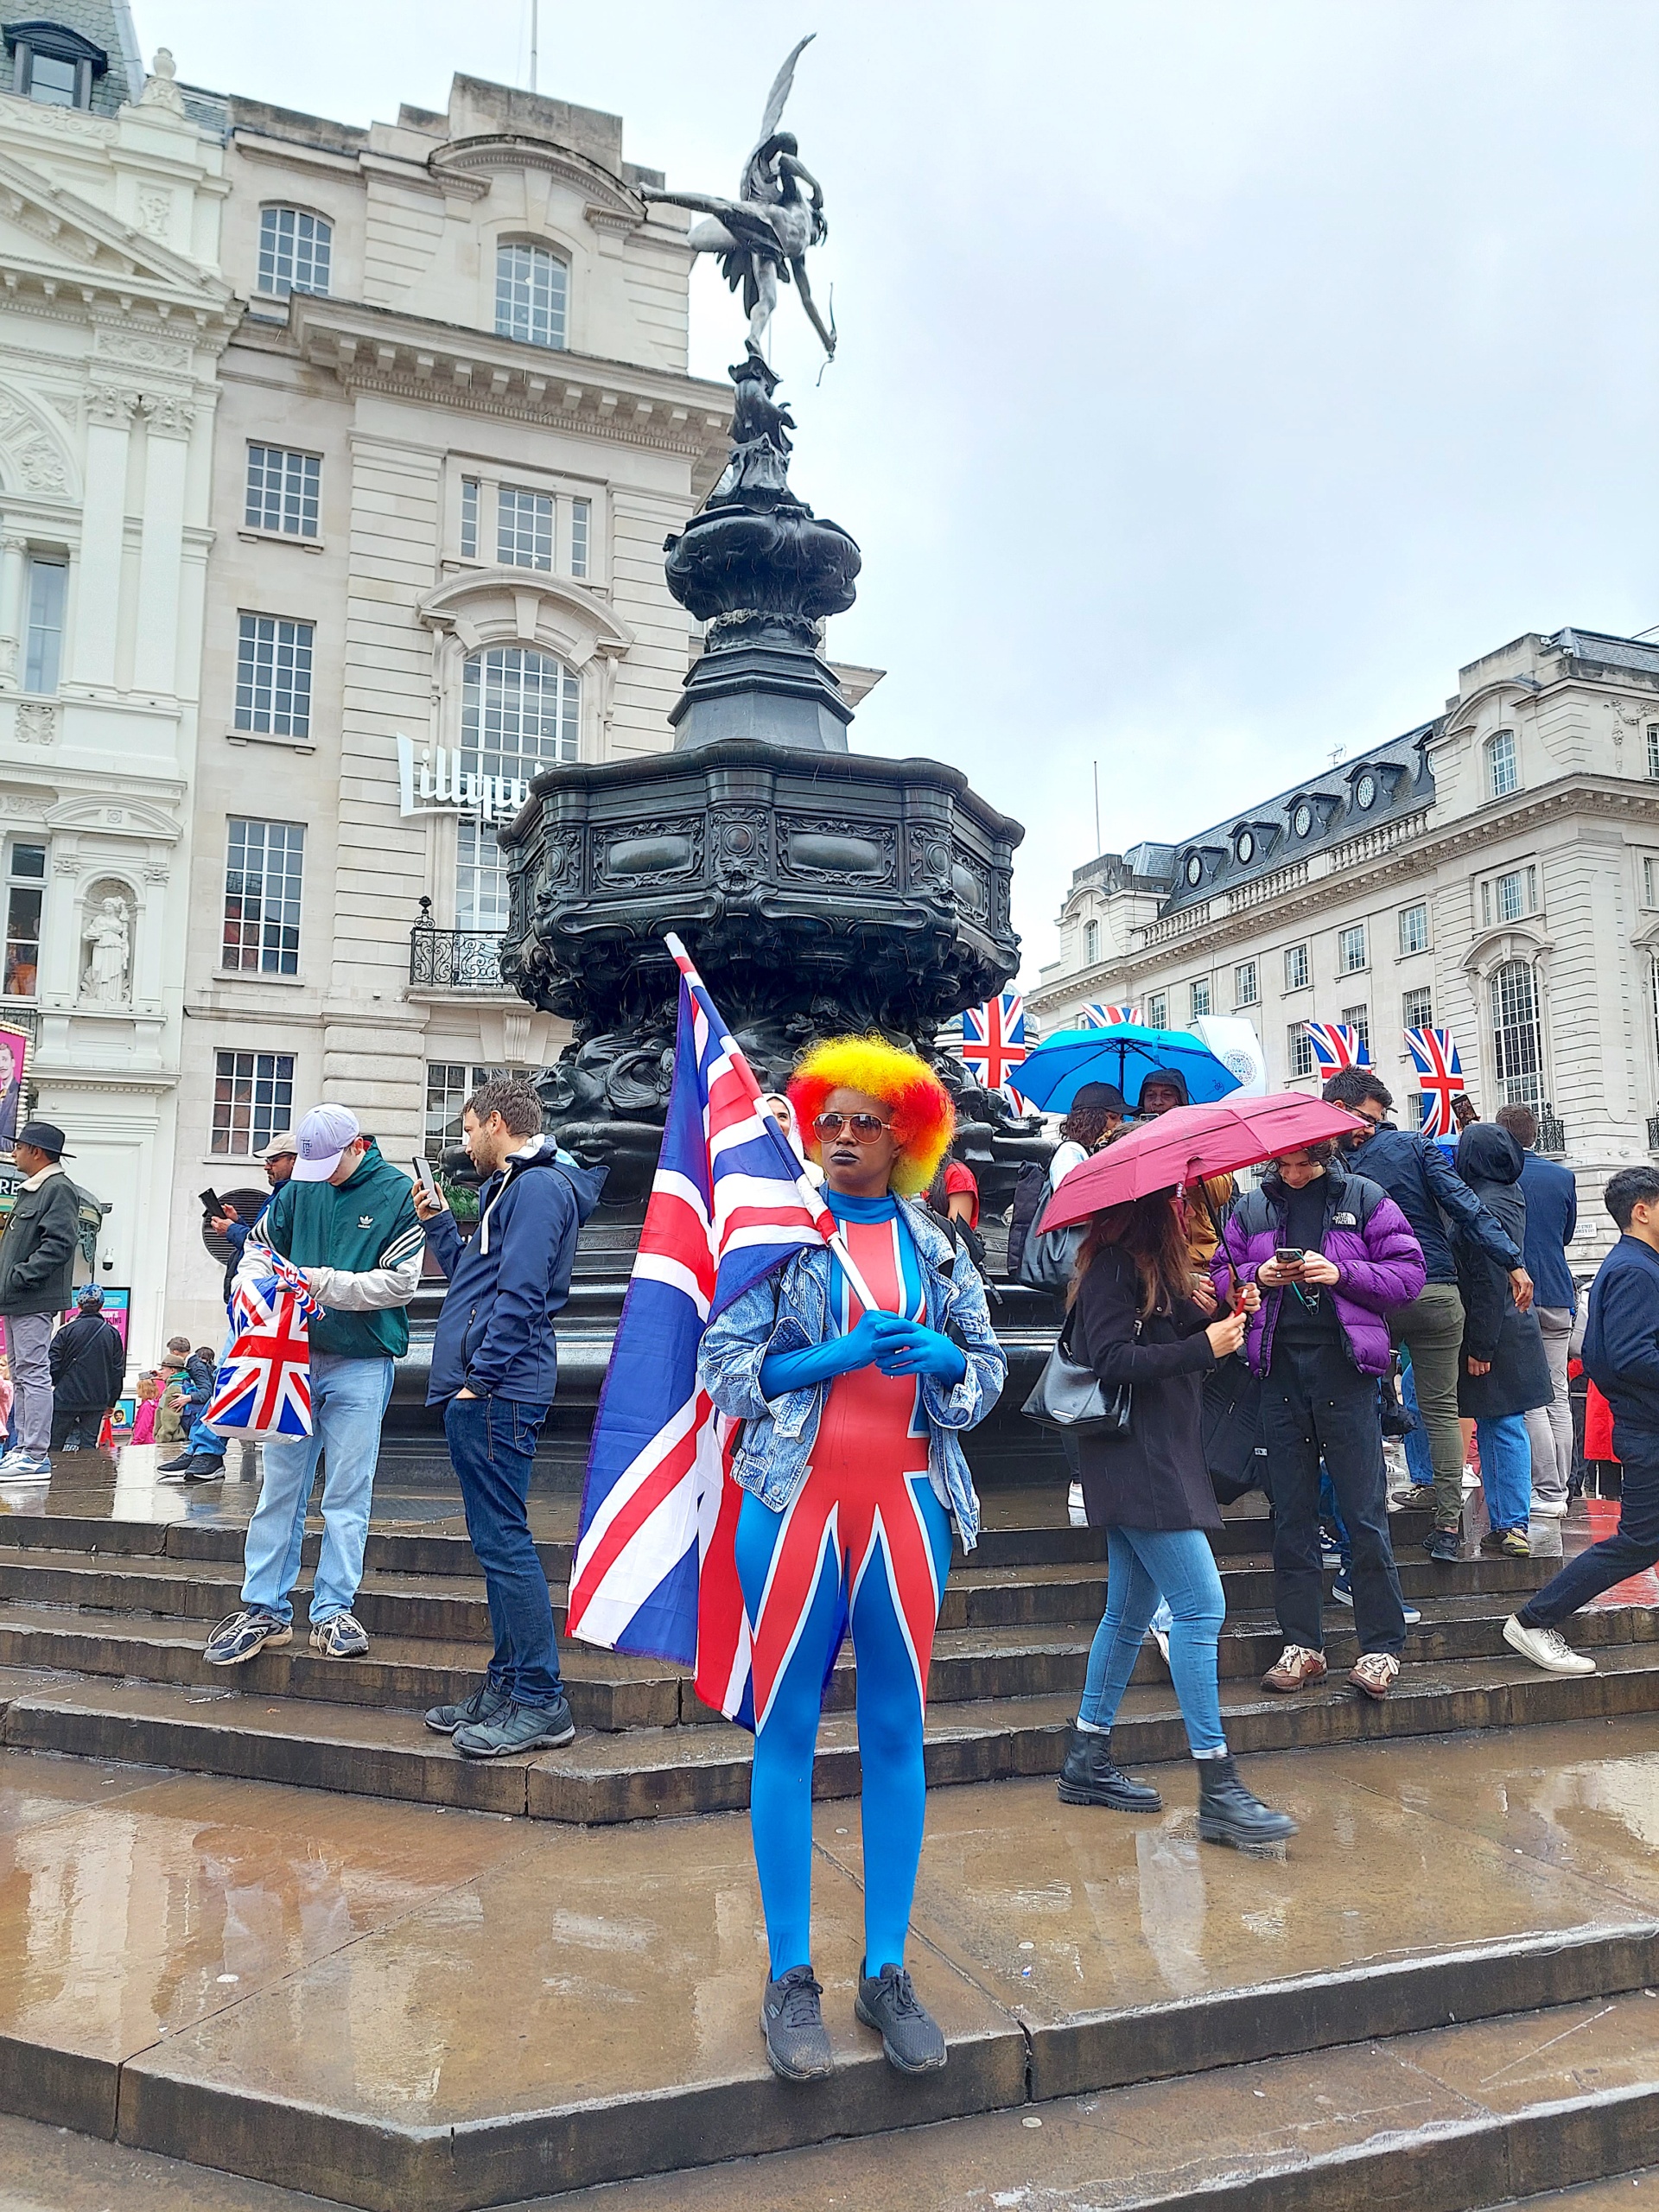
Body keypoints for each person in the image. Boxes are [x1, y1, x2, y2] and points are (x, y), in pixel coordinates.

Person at [699, 1037, 1006, 2084]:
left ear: (906, 1136)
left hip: (911, 1510)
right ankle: (792, 1976)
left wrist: (952, 1359)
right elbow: (726, 1369)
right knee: (784, 1730)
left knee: (894, 1733)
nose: (838, 1136)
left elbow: (990, 1372)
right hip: (793, 1510)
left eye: (862, 1122)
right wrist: (829, 1357)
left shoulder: (942, 1246)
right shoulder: (780, 1236)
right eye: (827, 1117)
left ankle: (887, 1969)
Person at [1055, 1183, 1293, 1845]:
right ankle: (1218, 1785)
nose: (1190, 1212)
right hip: (1138, 1462)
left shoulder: (1156, 1271)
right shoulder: (1112, 1267)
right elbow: (1112, 1358)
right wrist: (1204, 1346)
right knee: (1199, 1608)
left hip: (1158, 1455)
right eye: (1179, 1202)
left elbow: (1173, 1336)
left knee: (1128, 1613)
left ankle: (1086, 1758)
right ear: (1147, 1207)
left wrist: (1230, 1307)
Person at [414, 1077, 605, 1758]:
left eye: (467, 1131)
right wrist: (440, 1225)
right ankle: (508, 1685)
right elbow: (480, 1277)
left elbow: (523, 1295)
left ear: (496, 1122)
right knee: (498, 1545)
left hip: (498, 1390)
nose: (464, 1146)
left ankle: (540, 1700)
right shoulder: (518, 1188)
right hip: (493, 1387)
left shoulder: (537, 1187)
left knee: (506, 1545)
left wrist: (479, 1380)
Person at [203, 1105, 423, 1667]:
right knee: (282, 1488)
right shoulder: (301, 1186)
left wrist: (317, 1284)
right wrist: (252, 1291)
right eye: (311, 1164)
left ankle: (331, 1609)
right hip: (295, 1357)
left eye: (328, 1164)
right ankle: (264, 1607)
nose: (318, 1175)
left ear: (359, 1146)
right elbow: (257, 1249)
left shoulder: (398, 1193)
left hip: (361, 1360)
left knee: (347, 1491)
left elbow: (400, 1284)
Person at [1214, 1141, 1426, 1701]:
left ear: (1326, 1157)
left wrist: (1339, 1272)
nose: (1295, 1173)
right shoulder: (1251, 1208)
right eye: (1285, 1164)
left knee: (1363, 1511)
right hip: (1278, 1373)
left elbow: (1408, 1275)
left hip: (1347, 1372)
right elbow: (1222, 1275)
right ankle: (1302, 1646)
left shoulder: (1365, 1198)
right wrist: (1253, 1278)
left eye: (1306, 1163)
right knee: (1291, 1514)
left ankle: (1382, 1647)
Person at [1321, 1070, 1533, 1564]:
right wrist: (1512, 1261)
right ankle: (1444, 1525)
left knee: (1351, 1410)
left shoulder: (1321, 1161)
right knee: (1441, 1411)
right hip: (1434, 1288)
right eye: (1364, 1119)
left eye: (1375, 1121)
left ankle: (1353, 1525)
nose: (1370, 1129)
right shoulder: (1417, 1148)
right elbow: (1466, 1208)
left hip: (1364, 1294)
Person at [1505, 1166, 1659, 1677]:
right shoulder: (1636, 1269)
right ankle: (1533, 1621)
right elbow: (1624, 1357)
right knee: (1638, 1542)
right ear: (1642, 1210)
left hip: (1644, 1425)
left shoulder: (1636, 1265)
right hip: (1648, 1429)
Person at [162, 1133, 302, 1483]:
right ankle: (202, 1449)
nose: (267, 1165)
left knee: (228, 1376)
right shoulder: (283, 1197)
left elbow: (267, 1247)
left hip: (265, 1306)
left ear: (296, 1160)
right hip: (258, 1304)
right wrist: (240, 1225)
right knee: (226, 1375)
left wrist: (236, 1230)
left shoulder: (292, 1197)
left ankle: (206, 1451)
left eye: (275, 1159)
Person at [1452, 1122, 1553, 1559]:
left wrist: (1481, 1347)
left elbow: (1487, 1279)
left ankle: (1510, 1522)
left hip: (1491, 1326)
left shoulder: (1479, 1205)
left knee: (1499, 1425)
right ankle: (1513, 1522)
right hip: (1518, 1325)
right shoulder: (1512, 1195)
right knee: (1508, 1424)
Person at [1495, 1104, 1578, 1518]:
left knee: (1531, 1398)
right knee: (1558, 1396)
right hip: (1559, 1290)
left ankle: (1545, 1491)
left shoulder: (1500, 1177)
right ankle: (1560, 1487)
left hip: (1518, 1292)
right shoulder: (1562, 1176)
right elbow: (1565, 1234)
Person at [0, 1121, 83, 1481]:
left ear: (36, 1152)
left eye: (19, 1146)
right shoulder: (37, 1189)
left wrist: (19, 1278)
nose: (14, 1152)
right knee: (22, 1374)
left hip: (31, 1298)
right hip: (19, 1299)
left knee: (32, 1374)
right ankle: (25, 1450)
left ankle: (34, 1453)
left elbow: (60, 1243)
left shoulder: (57, 1189)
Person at [48, 1286, 125, 1452]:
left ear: (79, 1304)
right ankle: (87, 1476)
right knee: (89, 1445)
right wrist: (112, 1401)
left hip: (65, 1397)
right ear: (102, 1306)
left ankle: (53, 1475)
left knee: (54, 1443)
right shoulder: (111, 1334)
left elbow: (52, 1364)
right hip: (96, 1399)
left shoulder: (66, 1331)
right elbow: (117, 1371)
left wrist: (58, 1383)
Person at [1048, 1084, 1128, 1188]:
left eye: (1121, 1119)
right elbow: (1069, 1195)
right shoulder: (1070, 1151)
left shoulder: (1099, 1150)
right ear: (1091, 1119)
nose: (1119, 1124)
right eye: (1113, 1117)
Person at [131, 1370, 160, 1446]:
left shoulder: (146, 1406)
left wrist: (135, 1442)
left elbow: (142, 1427)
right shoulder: (154, 1404)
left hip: (145, 1443)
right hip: (151, 1441)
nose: (136, 1391)